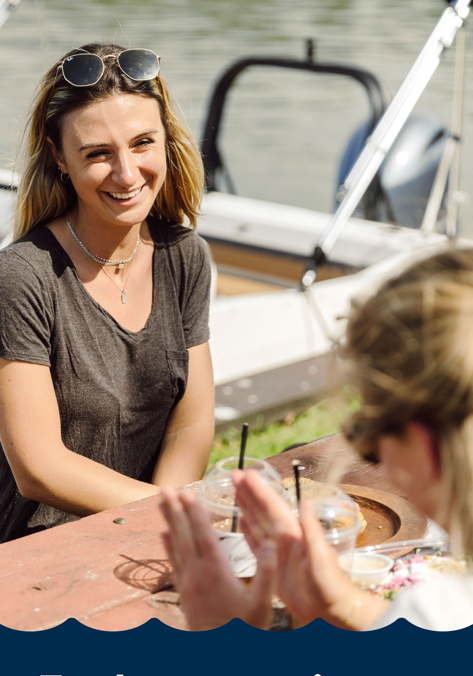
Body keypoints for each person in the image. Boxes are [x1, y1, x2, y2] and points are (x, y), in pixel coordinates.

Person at [161, 249, 473, 631]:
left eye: (366, 430)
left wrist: (224, 628)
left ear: (424, 449)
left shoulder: (440, 609)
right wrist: (341, 602)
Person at [0, 43, 214, 543]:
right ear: (59, 158)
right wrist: (172, 514)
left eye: (143, 143)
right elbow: (40, 468)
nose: (126, 174)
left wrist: (165, 528)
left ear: (166, 140)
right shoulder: (22, 277)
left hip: (148, 534)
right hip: (35, 551)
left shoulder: (185, 256)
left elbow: (192, 421)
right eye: (97, 153)